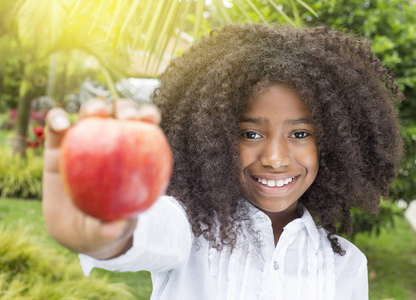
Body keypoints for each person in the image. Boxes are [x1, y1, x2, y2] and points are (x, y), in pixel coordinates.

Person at [43, 24, 404, 299]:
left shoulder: (346, 265)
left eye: (299, 134)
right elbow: (143, 231)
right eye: (250, 134)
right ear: (210, 139)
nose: (275, 159)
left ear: (338, 145)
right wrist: (104, 230)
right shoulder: (189, 231)